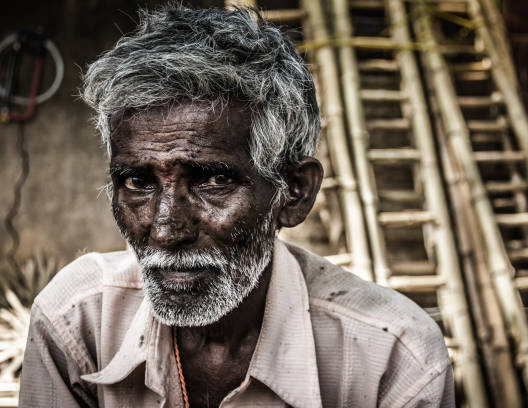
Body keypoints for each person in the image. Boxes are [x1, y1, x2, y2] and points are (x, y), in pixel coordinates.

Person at [19, 5, 453, 407]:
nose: (167, 230)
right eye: (138, 181)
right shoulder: (77, 322)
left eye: (214, 180)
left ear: (294, 192)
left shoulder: (393, 358)